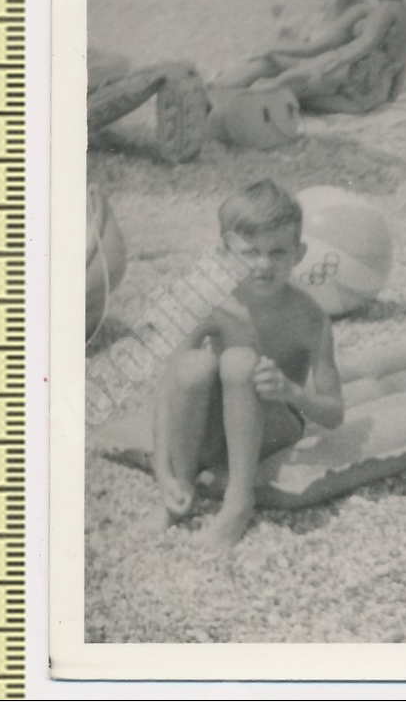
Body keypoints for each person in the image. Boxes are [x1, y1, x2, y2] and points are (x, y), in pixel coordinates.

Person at [141, 180, 344, 548]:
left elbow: (334, 413)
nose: (263, 265)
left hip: (272, 428)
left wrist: (291, 391)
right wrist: (162, 475)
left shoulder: (309, 317)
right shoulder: (212, 305)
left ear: (299, 253)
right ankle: (181, 489)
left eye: (277, 252)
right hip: (215, 432)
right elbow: (168, 393)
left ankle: (237, 502)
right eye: (249, 253)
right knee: (190, 366)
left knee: (238, 362)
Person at [255, 0, 406, 114]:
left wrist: (338, 62)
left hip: (354, 84)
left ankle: (247, 104)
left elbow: (366, 43)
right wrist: (391, 98)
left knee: (287, 83)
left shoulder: (387, 7)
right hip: (371, 97)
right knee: (301, 100)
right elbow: (403, 62)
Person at [213, 0, 371, 90]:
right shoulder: (333, 0)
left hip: (327, 68)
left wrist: (274, 48)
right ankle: (224, 84)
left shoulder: (358, 9)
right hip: (314, 60)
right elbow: (311, 33)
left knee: (269, 60)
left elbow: (316, 48)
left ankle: (219, 86)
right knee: (264, 60)